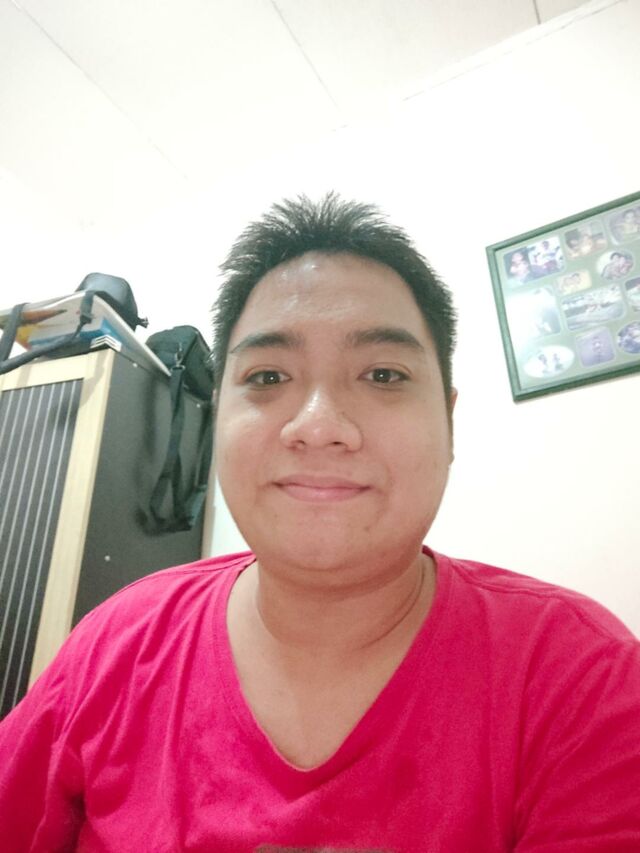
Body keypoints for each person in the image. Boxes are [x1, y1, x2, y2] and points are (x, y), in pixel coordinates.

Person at [1, 194, 640, 852]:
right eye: (268, 375)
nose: (318, 426)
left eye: (383, 373)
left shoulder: (582, 678)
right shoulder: (115, 644)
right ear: (218, 418)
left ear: (449, 423)